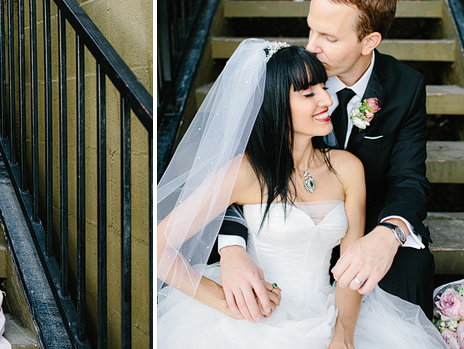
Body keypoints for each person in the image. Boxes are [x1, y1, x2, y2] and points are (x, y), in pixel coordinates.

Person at [155, 40, 444, 348]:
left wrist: (343, 335)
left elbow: (349, 269)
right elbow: (158, 246)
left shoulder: (347, 169)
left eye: (323, 87)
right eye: (309, 94)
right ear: (276, 103)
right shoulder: (244, 172)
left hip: (329, 312)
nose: (327, 100)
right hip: (254, 324)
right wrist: (222, 301)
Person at [217, 0, 435, 323]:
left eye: (328, 38)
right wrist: (231, 248)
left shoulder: (406, 87)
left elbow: (409, 179)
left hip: (364, 222)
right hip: (284, 223)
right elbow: (233, 174)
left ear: (369, 41)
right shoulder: (290, 74)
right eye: (310, 29)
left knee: (413, 264)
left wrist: (388, 233)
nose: (311, 47)